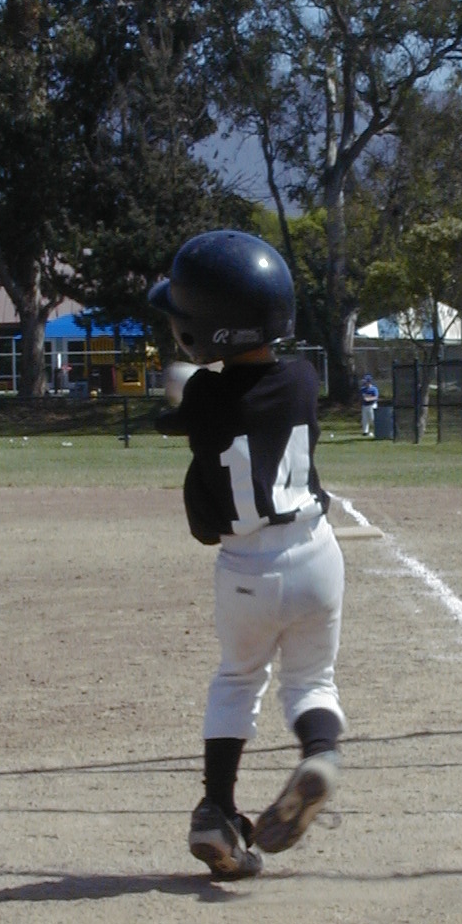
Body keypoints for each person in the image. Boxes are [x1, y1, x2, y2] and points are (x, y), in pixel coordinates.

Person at [149, 230, 345, 880]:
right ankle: (320, 753)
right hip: (315, 555)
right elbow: (248, 400)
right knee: (311, 680)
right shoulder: (303, 379)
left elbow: (206, 408)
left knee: (237, 681)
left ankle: (217, 809)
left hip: (244, 573)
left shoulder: (203, 398)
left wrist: (181, 407)